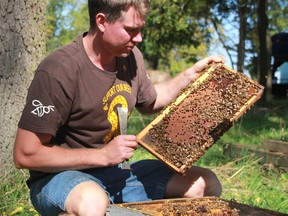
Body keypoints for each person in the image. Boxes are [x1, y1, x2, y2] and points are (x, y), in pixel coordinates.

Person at [13, 0, 225, 215]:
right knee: (92, 202)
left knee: (204, 183)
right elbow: (25, 154)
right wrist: (102, 155)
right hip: (62, 178)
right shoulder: (59, 70)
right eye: (131, 30)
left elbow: (150, 101)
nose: (139, 38)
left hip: (118, 174)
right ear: (102, 21)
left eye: (140, 29)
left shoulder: (131, 57)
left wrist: (189, 77)